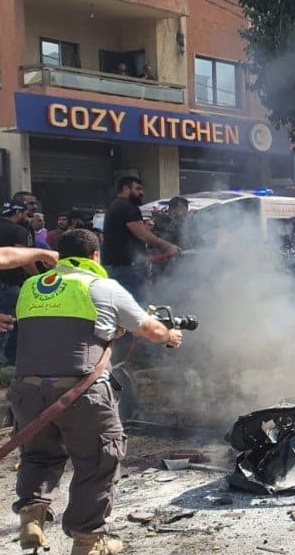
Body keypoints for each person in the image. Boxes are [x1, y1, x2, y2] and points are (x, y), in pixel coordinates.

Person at [8, 229, 183, 555]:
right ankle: (88, 539)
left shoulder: (31, 287)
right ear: (95, 256)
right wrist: (170, 336)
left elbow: (56, 332)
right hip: (81, 395)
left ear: (60, 256)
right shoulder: (102, 286)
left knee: (39, 455)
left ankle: (31, 513)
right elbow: (150, 329)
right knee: (99, 460)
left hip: (27, 393)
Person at [101, 176, 181, 302]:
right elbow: (143, 234)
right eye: (137, 189)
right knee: (140, 307)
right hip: (126, 269)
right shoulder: (127, 207)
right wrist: (168, 246)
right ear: (126, 189)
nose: (141, 193)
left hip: (116, 267)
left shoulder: (115, 205)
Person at [0, 201, 40, 364]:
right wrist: (38, 277)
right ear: (18, 213)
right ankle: (4, 360)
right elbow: (24, 260)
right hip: (9, 284)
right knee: (8, 323)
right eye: (24, 212)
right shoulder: (18, 231)